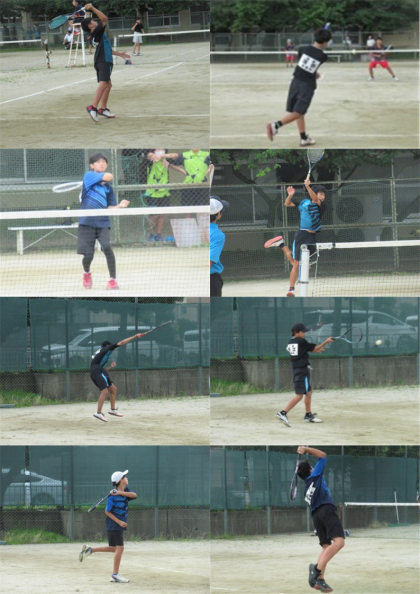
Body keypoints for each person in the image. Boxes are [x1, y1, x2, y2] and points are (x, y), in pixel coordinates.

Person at [267, 28, 332, 146]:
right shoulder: (323, 56)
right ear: (324, 42)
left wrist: (314, 74)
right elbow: (312, 63)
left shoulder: (302, 49)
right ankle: (275, 125)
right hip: (306, 86)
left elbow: (305, 65)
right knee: (298, 112)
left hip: (295, 82)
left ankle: (303, 138)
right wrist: (315, 74)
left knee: (299, 111)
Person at [265, 179, 327, 297]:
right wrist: (290, 195)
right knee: (297, 263)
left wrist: (307, 187)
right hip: (302, 235)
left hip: (312, 237)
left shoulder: (321, 206)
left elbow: (315, 200)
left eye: (324, 195)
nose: (323, 197)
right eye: (321, 194)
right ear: (315, 193)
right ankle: (291, 289)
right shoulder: (303, 203)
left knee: (302, 263)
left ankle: (281, 244)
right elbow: (287, 204)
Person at [297, 446, 345, 594]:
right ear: (311, 470)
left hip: (315, 516)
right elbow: (323, 456)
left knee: (326, 547)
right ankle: (316, 570)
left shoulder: (306, 488)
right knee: (339, 542)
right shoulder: (315, 475)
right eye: (312, 467)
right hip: (326, 510)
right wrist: (306, 449)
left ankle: (320, 580)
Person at [78, 152, 130, 290]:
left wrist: (120, 206)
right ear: (92, 165)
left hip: (103, 222)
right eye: (98, 162)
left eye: (104, 162)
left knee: (107, 247)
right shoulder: (88, 176)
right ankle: (87, 273)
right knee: (88, 255)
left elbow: (110, 207)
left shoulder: (108, 188)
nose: (101, 164)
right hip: (87, 222)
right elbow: (109, 176)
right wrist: (107, 176)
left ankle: (112, 280)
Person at [79, 469, 137, 583]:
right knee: (120, 548)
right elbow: (107, 512)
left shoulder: (125, 491)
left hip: (117, 525)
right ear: (121, 480)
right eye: (125, 477)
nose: (127, 478)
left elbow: (134, 495)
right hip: (114, 524)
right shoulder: (111, 497)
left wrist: (120, 493)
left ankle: (90, 550)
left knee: (115, 548)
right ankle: (115, 575)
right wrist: (119, 522)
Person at [276, 323, 334, 426]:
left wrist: (314, 350)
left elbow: (302, 351)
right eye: (302, 332)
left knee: (308, 393)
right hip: (302, 371)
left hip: (297, 370)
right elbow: (314, 348)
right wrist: (326, 341)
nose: (304, 334)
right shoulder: (301, 341)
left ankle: (308, 415)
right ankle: (283, 413)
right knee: (299, 395)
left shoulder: (291, 342)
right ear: (296, 332)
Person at [81, 4, 130, 121]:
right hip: (103, 61)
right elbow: (104, 18)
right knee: (103, 84)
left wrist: (119, 54)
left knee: (108, 85)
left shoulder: (97, 34)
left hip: (102, 60)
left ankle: (103, 109)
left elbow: (107, 49)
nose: (96, 22)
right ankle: (93, 107)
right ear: (90, 26)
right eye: (93, 21)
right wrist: (92, 8)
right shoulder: (97, 31)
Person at [89, 332, 144, 422]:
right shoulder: (107, 348)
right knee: (104, 391)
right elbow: (121, 342)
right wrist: (134, 336)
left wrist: (110, 367)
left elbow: (101, 370)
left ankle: (112, 409)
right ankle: (98, 413)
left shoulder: (99, 355)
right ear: (107, 345)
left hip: (98, 371)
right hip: (97, 371)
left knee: (113, 389)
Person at [144, 149, 184, 242]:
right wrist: (157, 156)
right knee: (154, 215)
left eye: (162, 150)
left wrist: (163, 157)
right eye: (158, 150)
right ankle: (151, 234)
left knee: (162, 214)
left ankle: (159, 234)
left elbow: (175, 155)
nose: (160, 151)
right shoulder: (151, 160)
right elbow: (150, 155)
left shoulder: (165, 160)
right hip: (153, 192)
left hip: (164, 191)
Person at [210, 196, 230, 297]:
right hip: (210, 280)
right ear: (218, 214)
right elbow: (209, 261)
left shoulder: (196, 230)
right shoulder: (218, 235)